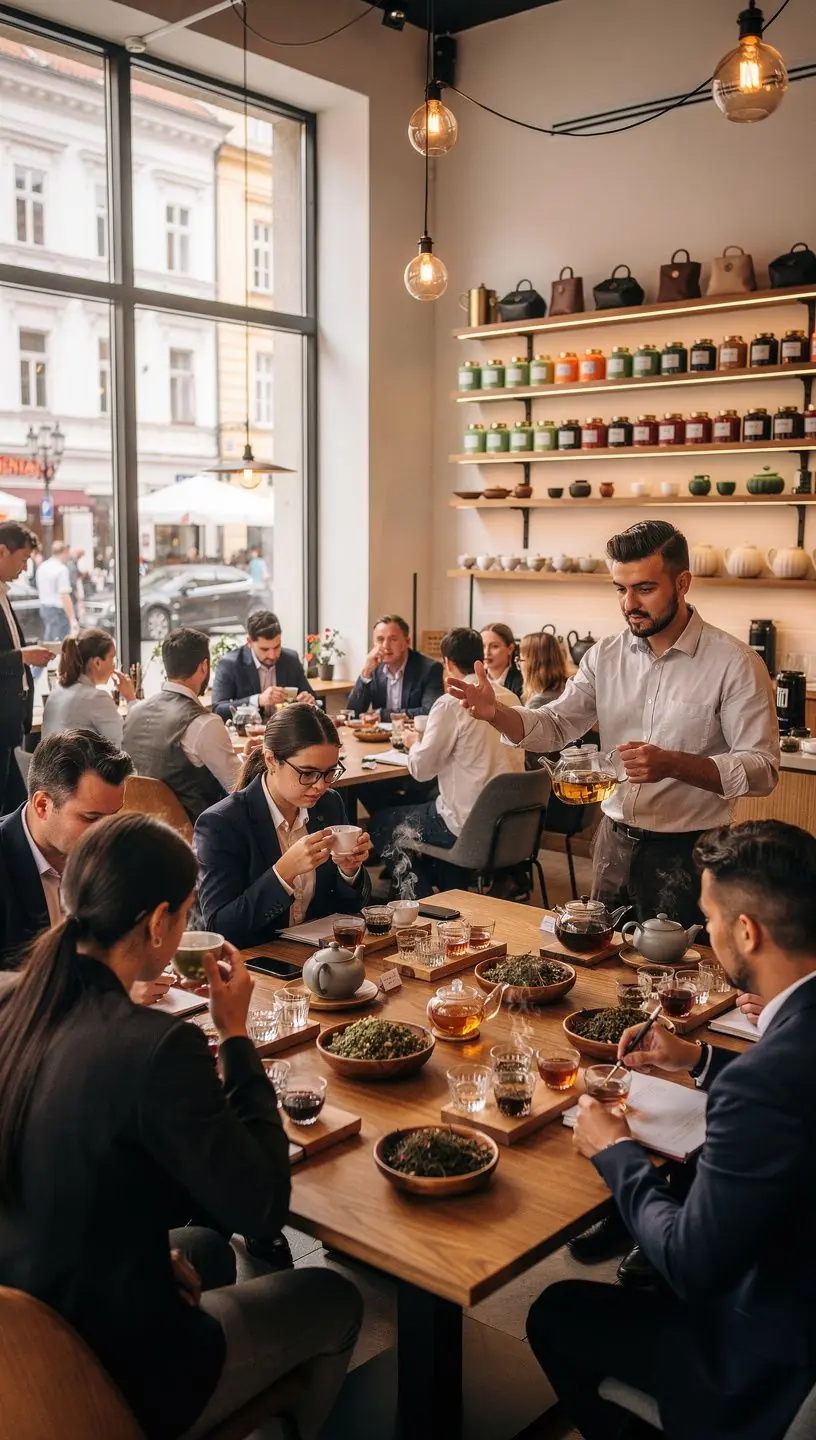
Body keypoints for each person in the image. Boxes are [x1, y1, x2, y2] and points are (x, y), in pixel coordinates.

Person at [0, 812, 362, 1440]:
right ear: (159, 923)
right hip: (105, 1369)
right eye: (189, 913)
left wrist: (132, 1263)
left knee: (203, 1249)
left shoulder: (16, 1005)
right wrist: (236, 1036)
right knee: (335, 1298)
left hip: (25, 1326)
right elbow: (261, 1208)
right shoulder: (155, 1045)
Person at [527, 820, 816, 1440]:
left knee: (555, 1313)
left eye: (708, 919)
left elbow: (690, 1263)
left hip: (767, 1366)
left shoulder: (761, 1085)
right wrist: (698, 1059)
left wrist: (616, 1150)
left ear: (747, 932)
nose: (705, 933)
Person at [449, 521, 779, 930]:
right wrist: (496, 712)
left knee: (680, 967)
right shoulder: (604, 655)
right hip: (612, 844)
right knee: (601, 960)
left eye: (645, 589)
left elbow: (763, 769)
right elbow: (556, 725)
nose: (629, 603)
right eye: (620, 589)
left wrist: (674, 764)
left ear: (682, 583)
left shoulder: (735, 663)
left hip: (691, 852)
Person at [195, 706, 372, 950]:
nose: (321, 786)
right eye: (308, 773)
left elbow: (348, 911)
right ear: (271, 760)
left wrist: (349, 871)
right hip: (257, 961)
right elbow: (220, 930)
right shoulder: (221, 824)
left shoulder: (329, 804)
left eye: (330, 772)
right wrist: (282, 874)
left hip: (319, 955)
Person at [368, 628, 524, 897]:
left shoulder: (451, 703)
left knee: (382, 822)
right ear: (480, 658)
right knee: (426, 804)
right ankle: (451, 891)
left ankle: (422, 901)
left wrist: (413, 742)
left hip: (464, 824)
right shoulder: (511, 697)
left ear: (447, 663)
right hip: (511, 823)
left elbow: (421, 770)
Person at [123, 628, 241, 822]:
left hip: (136, 826)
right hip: (192, 832)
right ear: (204, 667)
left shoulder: (134, 712)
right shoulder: (204, 723)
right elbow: (238, 786)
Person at [0, 521, 52, 815]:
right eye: (22, 559)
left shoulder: (4, 593)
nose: (24, 567)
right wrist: (22, 656)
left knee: (15, 805)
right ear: (2, 551)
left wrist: (26, 652)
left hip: (11, 718)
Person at [211, 610, 314, 722]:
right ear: (250, 642)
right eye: (265, 649)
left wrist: (309, 701)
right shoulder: (230, 664)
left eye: (277, 647)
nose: (272, 655)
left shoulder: (290, 659)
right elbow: (218, 710)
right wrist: (258, 700)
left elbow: (314, 699)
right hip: (249, 731)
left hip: (285, 729)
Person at [42, 628, 137, 746]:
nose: (114, 665)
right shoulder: (95, 698)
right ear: (97, 662)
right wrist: (131, 698)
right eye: (112, 658)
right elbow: (125, 745)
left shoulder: (55, 693)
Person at [347, 614, 443, 720]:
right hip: (379, 731)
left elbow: (430, 711)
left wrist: (382, 715)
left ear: (407, 642)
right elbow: (352, 713)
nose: (385, 646)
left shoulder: (430, 668)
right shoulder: (374, 667)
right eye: (380, 639)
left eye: (393, 639)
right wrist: (366, 672)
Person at [36, 540, 77, 641]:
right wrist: (72, 618)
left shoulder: (42, 567)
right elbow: (64, 595)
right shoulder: (61, 569)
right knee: (60, 641)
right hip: (58, 611)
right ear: (64, 552)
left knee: (49, 638)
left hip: (45, 607)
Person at [519, 629, 567, 709]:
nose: (519, 665)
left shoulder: (537, 704)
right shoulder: (567, 691)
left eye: (520, 659)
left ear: (533, 665)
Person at [481, 622, 523, 698]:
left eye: (494, 646)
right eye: (483, 646)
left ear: (510, 649)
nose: (486, 652)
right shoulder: (475, 679)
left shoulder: (521, 683)